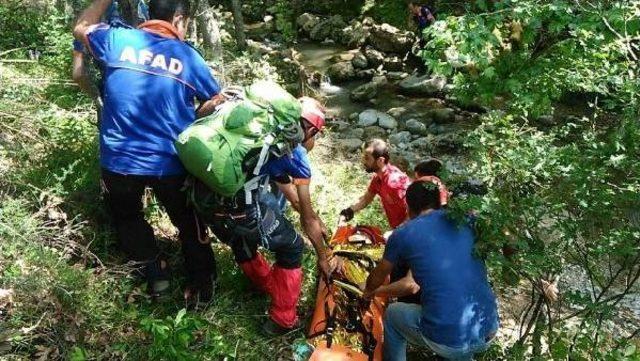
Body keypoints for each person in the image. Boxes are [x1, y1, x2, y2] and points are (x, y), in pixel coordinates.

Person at [73, 0, 224, 301]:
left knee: (127, 216)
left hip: (120, 160)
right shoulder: (188, 57)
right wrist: (195, 114)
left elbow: (80, 29)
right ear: (178, 20)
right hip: (170, 160)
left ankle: (157, 275)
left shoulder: (116, 39)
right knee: (188, 221)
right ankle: (201, 286)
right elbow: (215, 99)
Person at [208, 97, 330, 336]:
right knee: (293, 247)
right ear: (309, 130)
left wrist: (315, 217)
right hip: (240, 214)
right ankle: (282, 320)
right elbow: (306, 217)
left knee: (243, 237)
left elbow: (291, 195)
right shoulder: (293, 154)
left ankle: (263, 284)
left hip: (209, 210)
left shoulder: (258, 137)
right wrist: (323, 257)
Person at [363, 180, 499, 361]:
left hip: (448, 338)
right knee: (459, 343)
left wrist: (369, 291)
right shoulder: (467, 220)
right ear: (439, 201)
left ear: (408, 207)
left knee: (393, 315)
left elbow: (378, 278)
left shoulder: (404, 234)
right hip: (489, 329)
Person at [339, 139, 412, 230]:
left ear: (380, 161)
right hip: (400, 229)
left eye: (367, 158)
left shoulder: (395, 182)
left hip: (411, 231)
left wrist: (398, 231)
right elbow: (365, 200)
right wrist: (349, 211)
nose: (363, 161)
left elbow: (416, 211)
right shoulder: (377, 179)